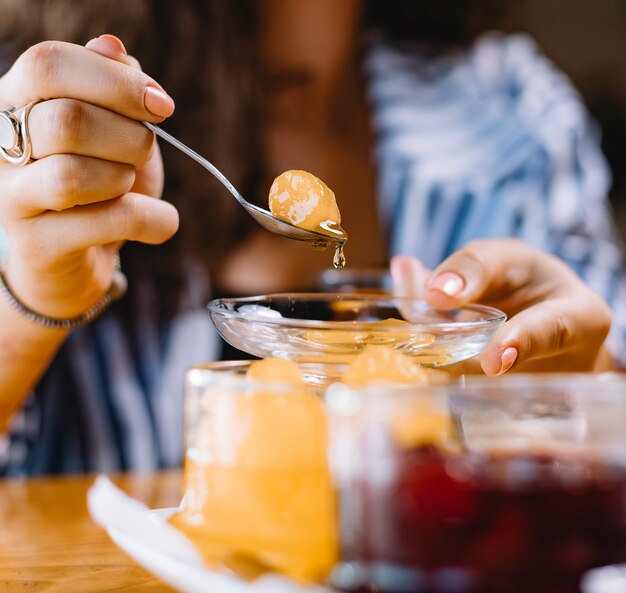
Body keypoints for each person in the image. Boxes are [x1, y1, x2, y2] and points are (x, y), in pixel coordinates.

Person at [0, 0, 621, 475]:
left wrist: (581, 391)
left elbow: (600, 409)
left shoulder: (514, 115)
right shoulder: (33, 117)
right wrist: (27, 304)